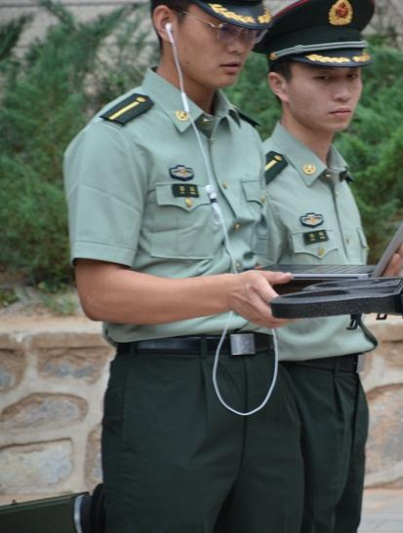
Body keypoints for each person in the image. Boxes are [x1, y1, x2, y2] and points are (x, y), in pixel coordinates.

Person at [63, 1, 304, 531]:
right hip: (170, 387)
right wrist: (227, 293)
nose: (238, 45)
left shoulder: (244, 135)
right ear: (166, 21)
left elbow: (258, 261)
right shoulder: (117, 138)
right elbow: (99, 293)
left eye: (250, 30)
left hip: (262, 379)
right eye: (220, 28)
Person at [253, 1, 403, 531]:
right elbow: (247, 298)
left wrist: (382, 284)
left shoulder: (335, 176)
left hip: (344, 379)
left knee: (341, 520)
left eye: (351, 77)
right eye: (323, 78)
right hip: (289, 386)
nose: (343, 92)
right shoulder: (262, 183)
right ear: (280, 84)